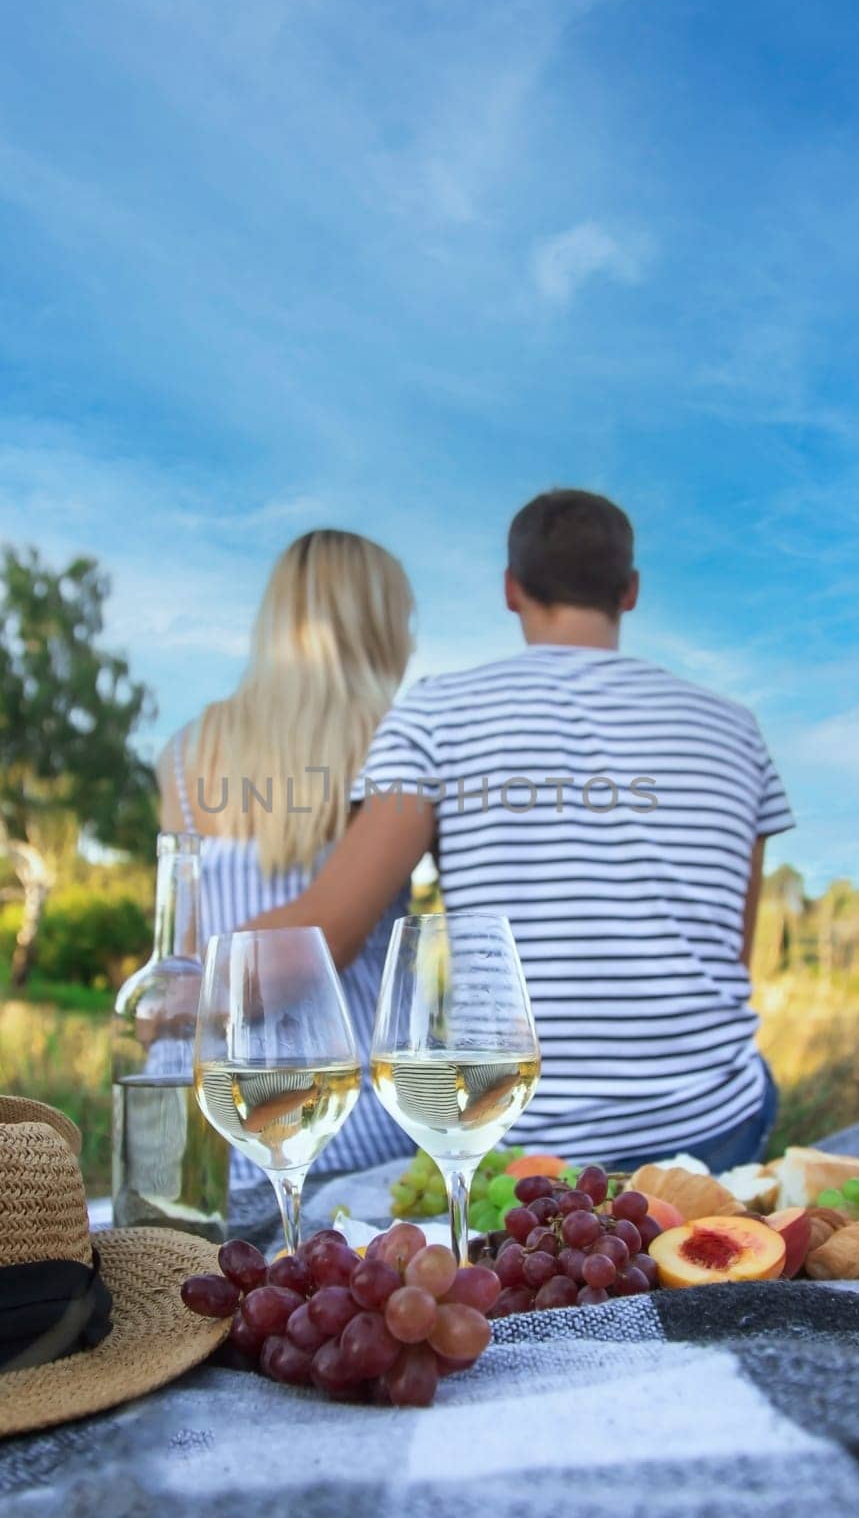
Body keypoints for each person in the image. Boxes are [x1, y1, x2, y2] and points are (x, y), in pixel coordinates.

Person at [247, 490, 794, 1172]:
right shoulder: (735, 728)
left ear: (512, 590)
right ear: (629, 592)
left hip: (523, 1138)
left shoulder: (437, 714)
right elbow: (730, 954)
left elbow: (330, 929)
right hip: (716, 1127)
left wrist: (187, 975)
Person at [157, 528, 417, 1174]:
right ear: (376, 627)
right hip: (337, 1121)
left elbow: (175, 956)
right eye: (404, 622)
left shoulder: (187, 751)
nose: (410, 642)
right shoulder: (396, 743)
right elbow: (332, 936)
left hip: (193, 1112)